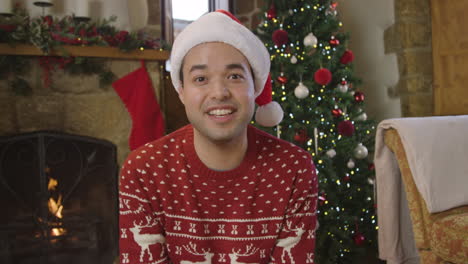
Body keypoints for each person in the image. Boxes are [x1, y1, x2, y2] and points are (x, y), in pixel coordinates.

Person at [119, 10, 318, 264]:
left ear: (254, 88)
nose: (219, 93)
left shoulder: (294, 169)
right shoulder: (143, 169)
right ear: (182, 92)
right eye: (200, 79)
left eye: (234, 77)